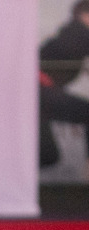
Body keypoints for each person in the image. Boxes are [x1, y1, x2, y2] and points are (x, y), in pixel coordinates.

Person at [39, 0, 89, 169]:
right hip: (39, 94)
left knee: (48, 155)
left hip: (38, 97)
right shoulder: (78, 32)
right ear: (85, 16)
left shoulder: (72, 34)